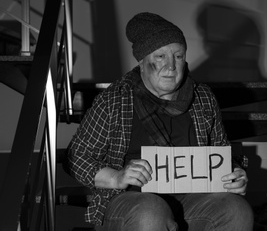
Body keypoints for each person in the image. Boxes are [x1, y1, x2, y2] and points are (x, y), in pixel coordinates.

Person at [67, 12, 254, 230]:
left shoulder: (203, 97)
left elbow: (221, 151)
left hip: (192, 200)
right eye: (160, 57)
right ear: (142, 61)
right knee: (151, 212)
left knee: (236, 210)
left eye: (178, 56)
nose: (171, 66)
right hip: (132, 202)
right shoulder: (115, 100)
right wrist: (117, 177)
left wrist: (234, 174)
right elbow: (76, 158)